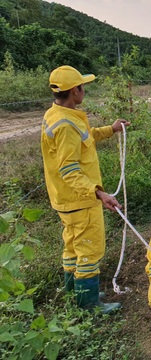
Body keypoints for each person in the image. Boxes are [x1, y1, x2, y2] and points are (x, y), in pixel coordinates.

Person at [41, 65, 130, 314]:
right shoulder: (66, 124)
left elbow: (84, 138)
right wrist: (98, 193)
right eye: (82, 86)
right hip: (80, 200)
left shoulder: (57, 115)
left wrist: (110, 130)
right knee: (90, 249)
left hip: (65, 200)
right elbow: (69, 169)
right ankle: (89, 305)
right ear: (74, 91)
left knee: (72, 247)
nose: (84, 90)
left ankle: (75, 292)